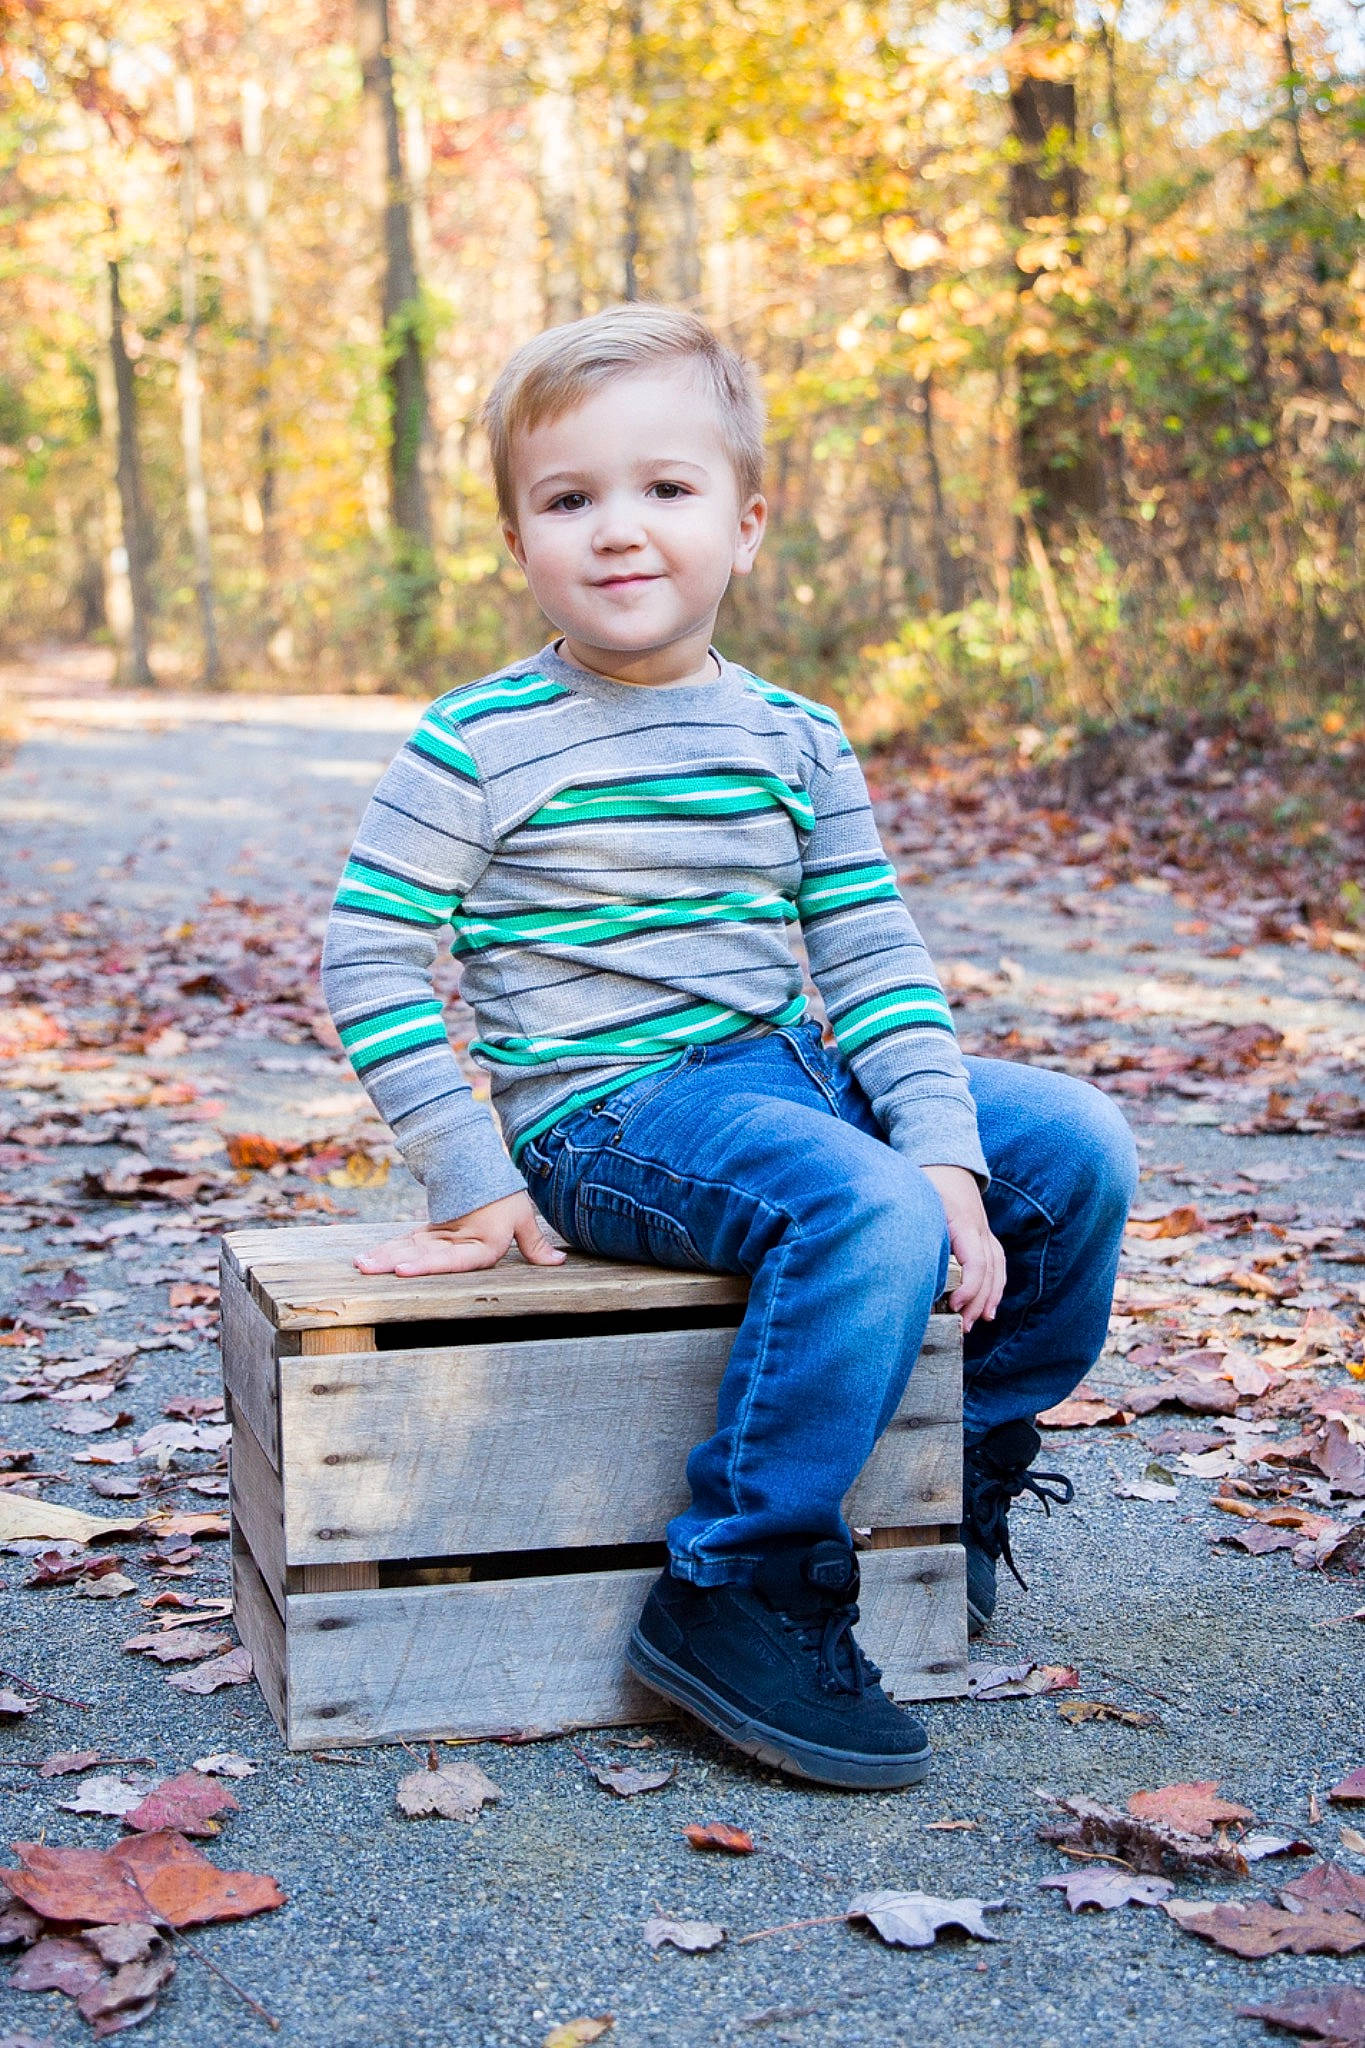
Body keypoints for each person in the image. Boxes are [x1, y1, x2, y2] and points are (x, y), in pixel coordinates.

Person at [322, 304, 1137, 1792]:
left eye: (666, 489)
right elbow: (371, 952)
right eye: (569, 500)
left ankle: (956, 1477)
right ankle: (737, 1582)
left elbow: (874, 957)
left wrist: (949, 1153)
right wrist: (467, 1171)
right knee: (860, 1203)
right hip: (610, 1115)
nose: (619, 531)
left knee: (1069, 1147)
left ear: (746, 524)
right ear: (519, 541)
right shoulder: (477, 742)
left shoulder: (796, 735)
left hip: (783, 1071)